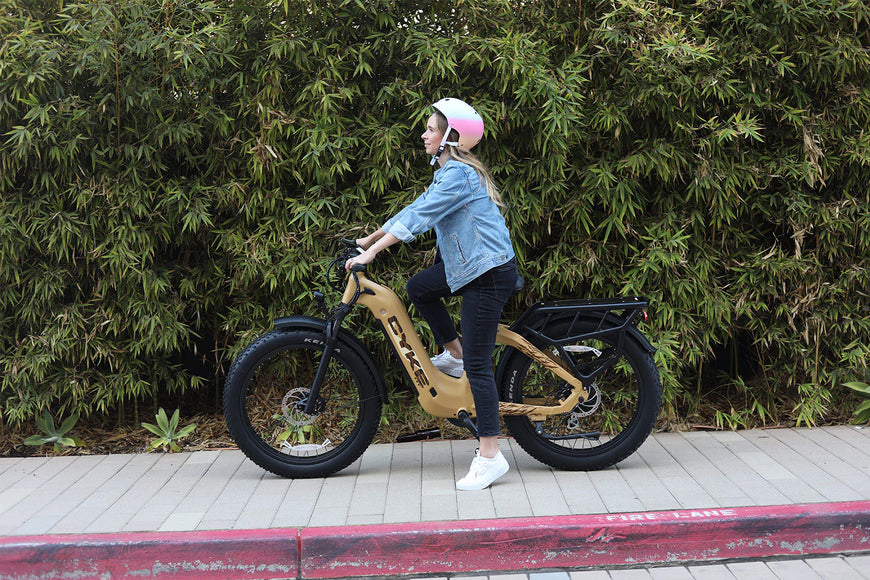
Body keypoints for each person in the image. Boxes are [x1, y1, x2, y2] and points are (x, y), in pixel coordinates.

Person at [345, 98, 519, 491]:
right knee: (419, 287)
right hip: (470, 265)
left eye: (431, 129)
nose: (424, 135)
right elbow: (417, 208)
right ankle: (453, 352)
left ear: (450, 137)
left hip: (487, 273)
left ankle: (490, 456)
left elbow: (421, 218)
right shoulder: (447, 174)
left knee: (479, 366)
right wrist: (369, 237)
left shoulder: (458, 175)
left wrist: (372, 253)